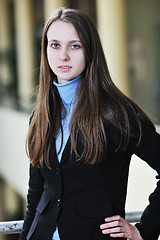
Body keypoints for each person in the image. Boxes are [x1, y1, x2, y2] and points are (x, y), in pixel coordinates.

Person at [19, 7, 160, 240]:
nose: (63, 55)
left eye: (74, 46)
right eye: (54, 45)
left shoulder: (117, 113)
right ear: (45, 50)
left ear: (89, 51)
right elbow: (36, 196)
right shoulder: (41, 114)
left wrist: (144, 231)